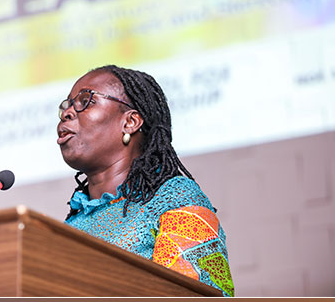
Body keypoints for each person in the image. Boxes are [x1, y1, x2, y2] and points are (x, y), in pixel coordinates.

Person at [56, 65, 234, 296]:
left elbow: (200, 295)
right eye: (66, 105)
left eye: (85, 101)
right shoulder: (72, 224)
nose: (67, 113)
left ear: (130, 122)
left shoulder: (174, 199)